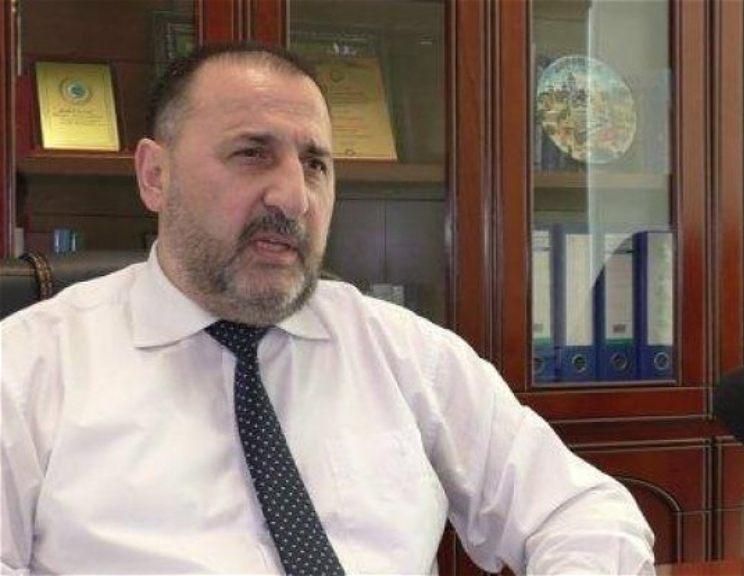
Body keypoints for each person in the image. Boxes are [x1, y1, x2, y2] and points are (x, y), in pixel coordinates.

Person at [1, 42, 655, 575]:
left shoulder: (403, 352)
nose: (294, 197)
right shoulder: (28, 370)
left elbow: (584, 513)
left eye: (315, 164)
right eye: (252, 153)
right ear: (155, 175)